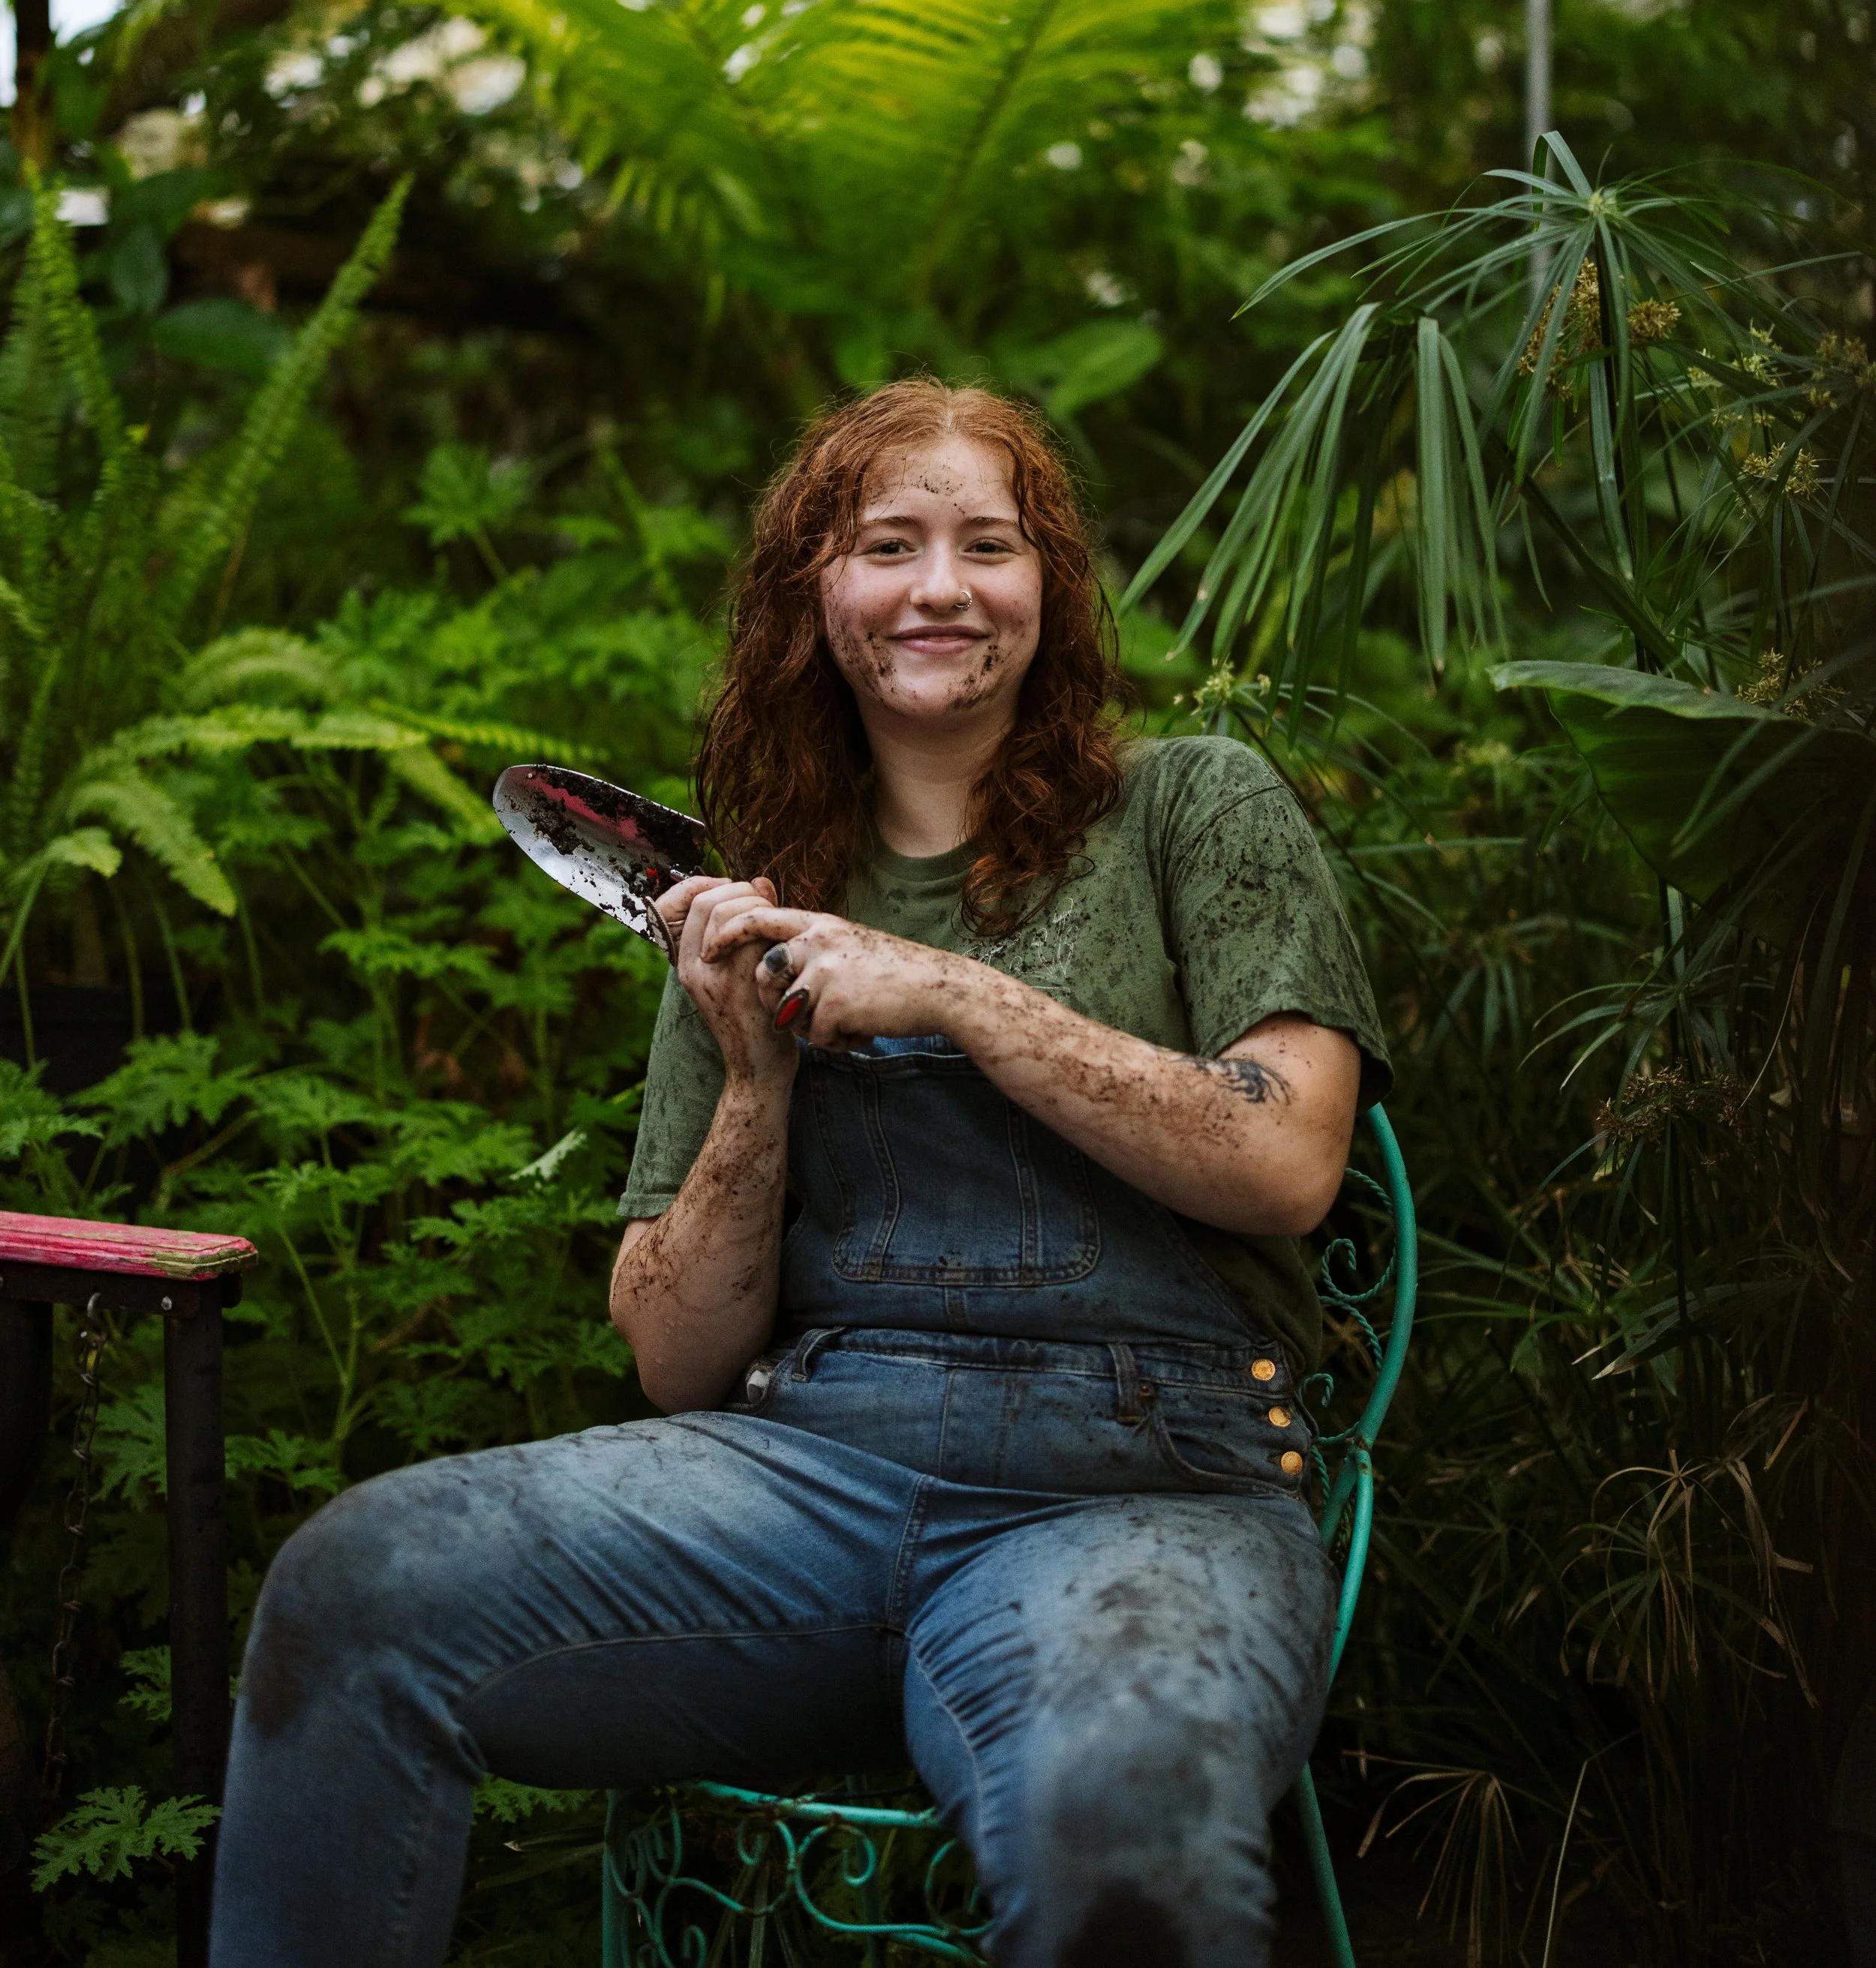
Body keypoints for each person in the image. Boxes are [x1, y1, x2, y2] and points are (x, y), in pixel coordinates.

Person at [210, 381, 1390, 1968]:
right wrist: (756, 1080)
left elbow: (1284, 1153)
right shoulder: (745, 906)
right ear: (812, 594)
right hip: (798, 1485)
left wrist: (948, 988)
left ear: (1049, 586)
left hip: (1140, 1495)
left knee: (1118, 1822)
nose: (939, 585)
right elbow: (673, 1354)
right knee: (351, 1594)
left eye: (990, 542)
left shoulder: (1190, 804)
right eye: (887, 542)